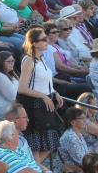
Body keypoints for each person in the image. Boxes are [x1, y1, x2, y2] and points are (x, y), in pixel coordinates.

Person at [16, 28, 64, 163]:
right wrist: (43, 96)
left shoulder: (41, 58)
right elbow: (22, 88)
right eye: (43, 39)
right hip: (33, 105)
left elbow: (43, 82)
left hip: (45, 104)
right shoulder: (29, 60)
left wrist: (55, 92)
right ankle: (35, 169)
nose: (47, 41)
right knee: (36, 145)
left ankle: (35, 167)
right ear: (34, 43)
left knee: (49, 143)